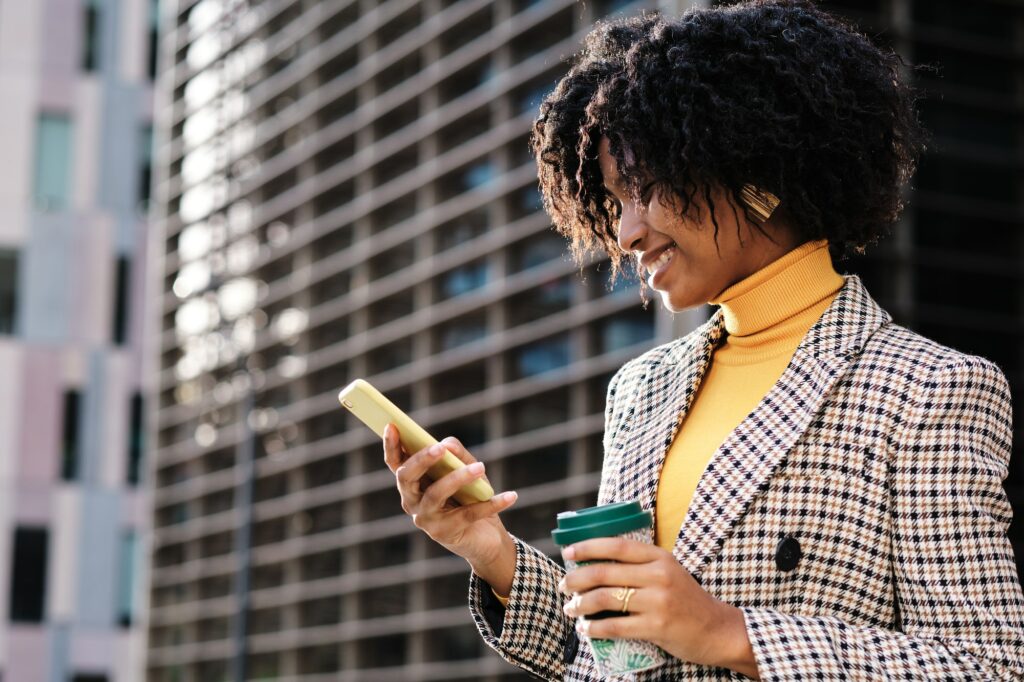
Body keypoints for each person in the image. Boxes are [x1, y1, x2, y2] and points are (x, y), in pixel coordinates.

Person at [382, 1, 1024, 679]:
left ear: (756, 171)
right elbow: (616, 660)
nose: (625, 233)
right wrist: (492, 552)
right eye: (614, 199)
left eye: (647, 188)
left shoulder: (931, 390)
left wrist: (727, 632)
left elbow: (983, 664)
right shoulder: (641, 387)